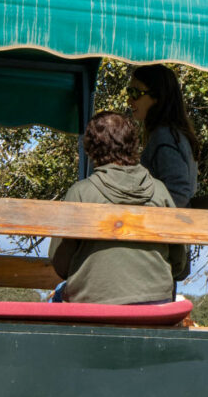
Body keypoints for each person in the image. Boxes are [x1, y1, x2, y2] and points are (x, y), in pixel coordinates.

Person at [49, 111, 187, 304]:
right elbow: (180, 262)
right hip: (156, 302)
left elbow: (60, 263)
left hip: (94, 303)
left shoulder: (80, 193)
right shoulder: (160, 191)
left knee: (56, 296)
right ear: (133, 144)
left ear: (91, 148)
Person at [126, 63, 200, 209]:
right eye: (129, 92)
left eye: (135, 93)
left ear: (157, 97)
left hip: (167, 222)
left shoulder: (164, 136)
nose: (129, 100)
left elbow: (178, 194)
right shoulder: (175, 133)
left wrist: (139, 211)